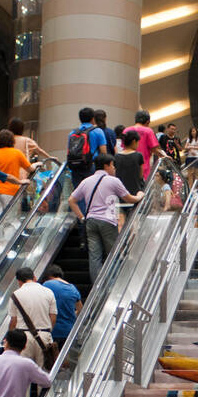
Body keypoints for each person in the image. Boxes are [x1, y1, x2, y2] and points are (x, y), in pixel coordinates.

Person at [69, 153, 144, 281]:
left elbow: (71, 200)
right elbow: (129, 199)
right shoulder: (113, 181)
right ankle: (114, 284)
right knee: (113, 254)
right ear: (107, 165)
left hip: (90, 222)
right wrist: (140, 195)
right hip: (107, 221)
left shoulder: (86, 181)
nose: (114, 168)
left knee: (94, 257)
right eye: (113, 165)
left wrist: (82, 218)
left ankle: (97, 287)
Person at [8, 266, 57, 368]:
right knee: (44, 373)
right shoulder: (48, 292)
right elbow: (53, 316)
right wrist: (47, 331)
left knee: (22, 374)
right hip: (44, 335)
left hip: (23, 338)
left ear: (19, 281)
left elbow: (14, 320)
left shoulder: (15, 295)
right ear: (34, 277)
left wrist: (10, 340)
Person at [0, 129, 37, 221]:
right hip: (11, 190)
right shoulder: (17, 153)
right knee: (10, 219)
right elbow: (30, 169)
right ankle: (9, 236)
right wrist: (36, 164)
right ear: (12, 141)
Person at [65, 107, 107, 187]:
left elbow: (69, 150)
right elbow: (103, 153)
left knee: (78, 192)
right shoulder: (98, 131)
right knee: (92, 191)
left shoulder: (73, 133)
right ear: (92, 118)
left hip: (75, 166)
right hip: (91, 166)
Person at [43, 263, 81, 348]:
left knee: (52, 358)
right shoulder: (72, 288)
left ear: (49, 276)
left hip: (52, 331)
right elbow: (80, 310)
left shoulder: (46, 285)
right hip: (69, 331)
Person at [123, 109, 166, 180]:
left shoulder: (126, 131)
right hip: (143, 169)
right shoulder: (148, 131)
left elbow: (124, 148)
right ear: (148, 121)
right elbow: (154, 149)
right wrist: (165, 156)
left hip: (127, 169)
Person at [113, 130, 146, 202]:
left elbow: (114, 174)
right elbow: (141, 175)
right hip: (135, 191)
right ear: (134, 141)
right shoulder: (138, 155)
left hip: (120, 192)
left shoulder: (116, 156)